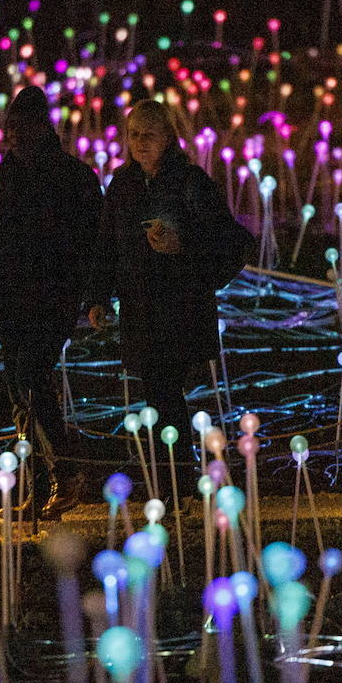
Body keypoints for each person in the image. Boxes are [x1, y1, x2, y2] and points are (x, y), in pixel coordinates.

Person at [87, 99, 251, 436]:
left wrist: (184, 247)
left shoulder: (189, 183)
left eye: (149, 134)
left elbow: (232, 241)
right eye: (134, 135)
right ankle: (174, 473)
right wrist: (97, 298)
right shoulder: (123, 186)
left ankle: (176, 471)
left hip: (179, 311)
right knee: (159, 396)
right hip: (140, 312)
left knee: (164, 394)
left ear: (168, 138)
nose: (140, 142)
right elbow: (106, 245)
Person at [0, 86, 102, 519]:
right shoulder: (10, 173)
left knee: (32, 374)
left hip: (50, 298)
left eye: (20, 127)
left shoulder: (71, 176)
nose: (12, 136)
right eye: (8, 127)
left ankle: (65, 472)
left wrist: (85, 294)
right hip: (10, 299)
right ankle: (40, 483)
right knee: (18, 388)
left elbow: (90, 243)